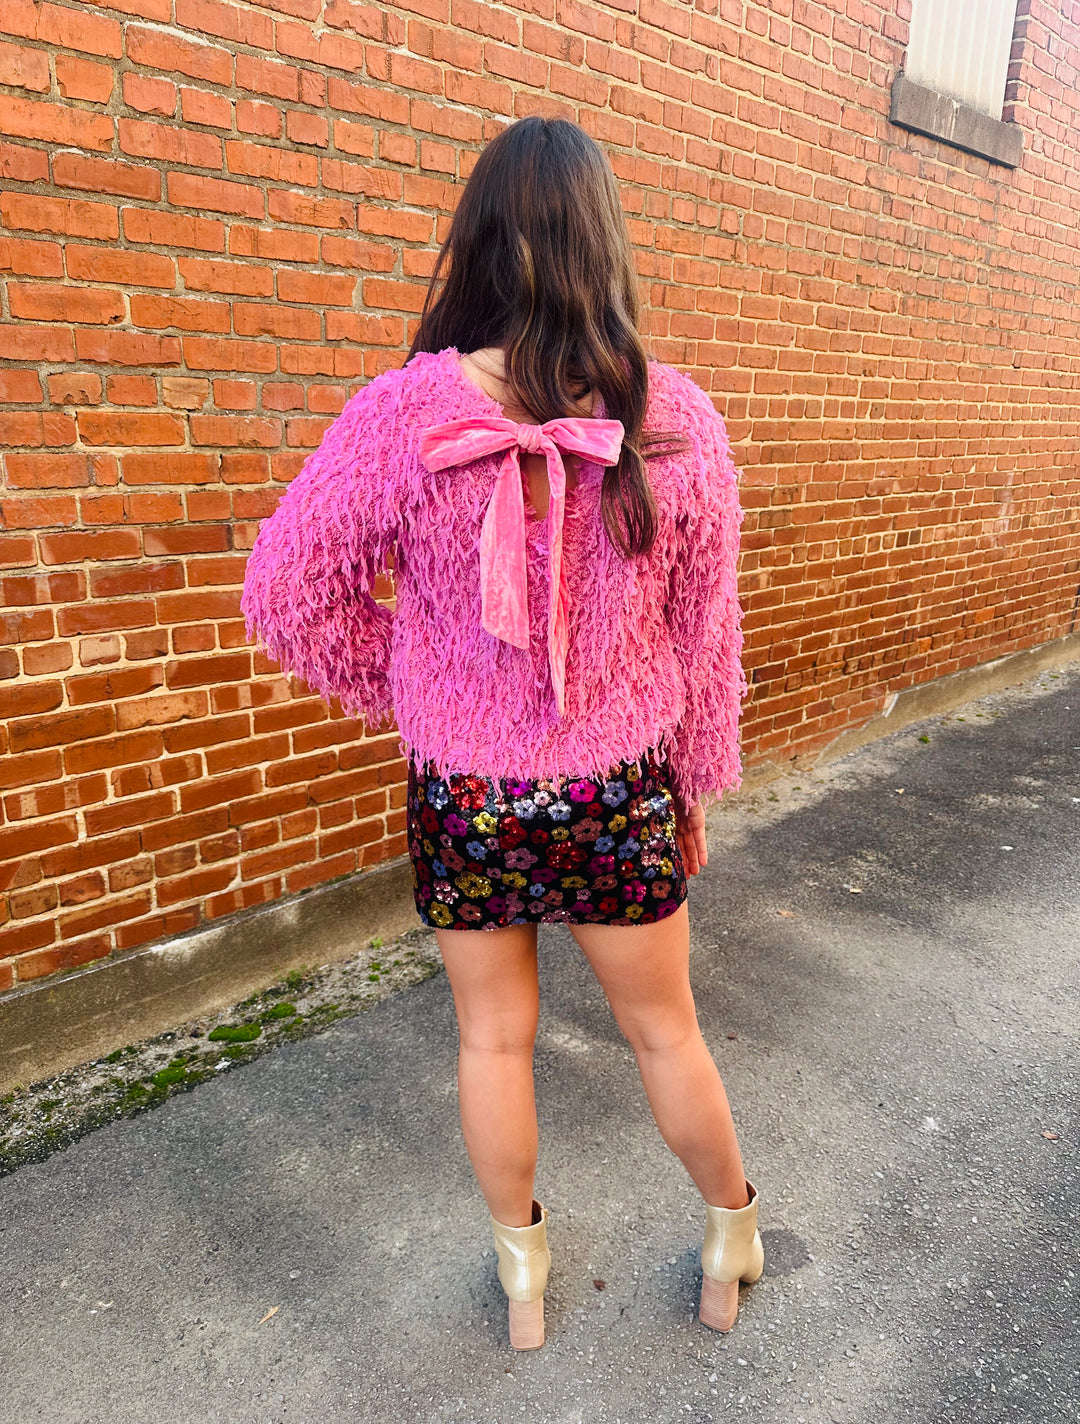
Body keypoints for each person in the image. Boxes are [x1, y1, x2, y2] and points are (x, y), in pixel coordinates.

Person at [240, 115, 763, 1351]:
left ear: (476, 244)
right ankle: (730, 1230)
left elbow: (285, 595)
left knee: (491, 1038)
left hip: (466, 800)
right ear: (606, 245)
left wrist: (417, 687)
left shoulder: (399, 414)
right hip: (617, 797)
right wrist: (694, 784)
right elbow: (708, 641)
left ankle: (524, 1278)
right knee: (667, 1032)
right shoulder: (676, 416)